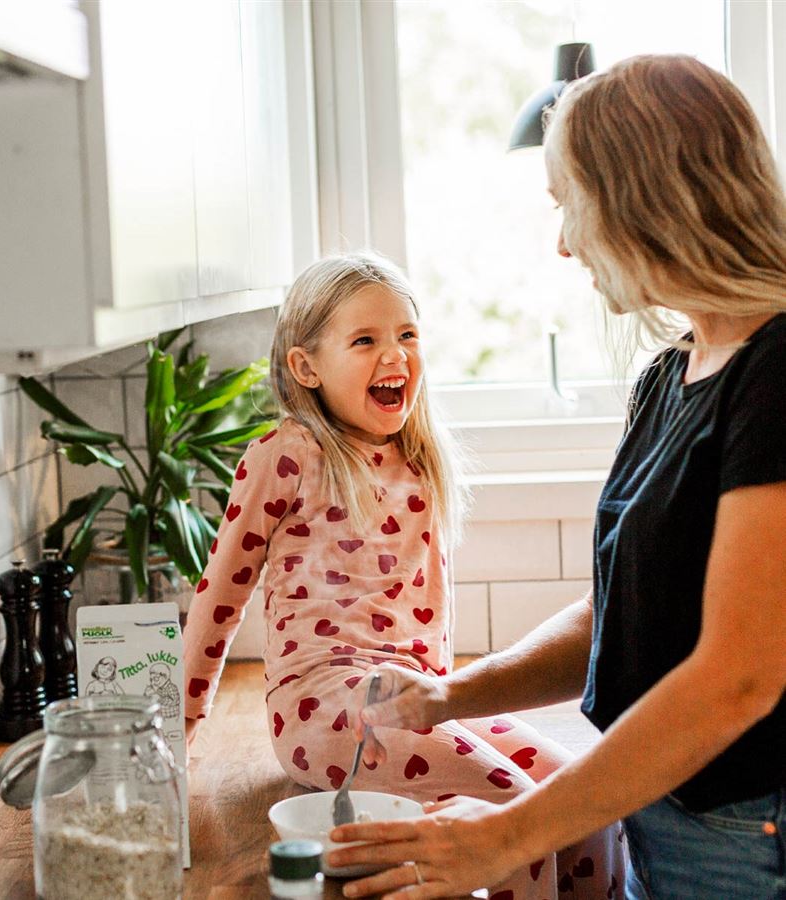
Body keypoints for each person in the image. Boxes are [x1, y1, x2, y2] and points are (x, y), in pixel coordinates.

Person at [327, 55, 786, 900]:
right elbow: (626, 610)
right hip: (668, 805)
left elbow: (740, 675)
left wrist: (509, 837)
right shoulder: (675, 371)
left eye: (569, 206)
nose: (566, 241)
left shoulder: (778, 372)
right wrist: (447, 696)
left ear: (644, 202)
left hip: (751, 828)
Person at [181, 252, 625, 898]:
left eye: (407, 335)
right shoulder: (287, 455)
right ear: (306, 367)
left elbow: (431, 615)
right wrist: (180, 727)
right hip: (325, 705)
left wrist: (446, 702)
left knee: (584, 802)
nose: (395, 355)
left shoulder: (420, 457)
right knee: (513, 813)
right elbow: (218, 596)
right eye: (365, 340)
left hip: (418, 695)